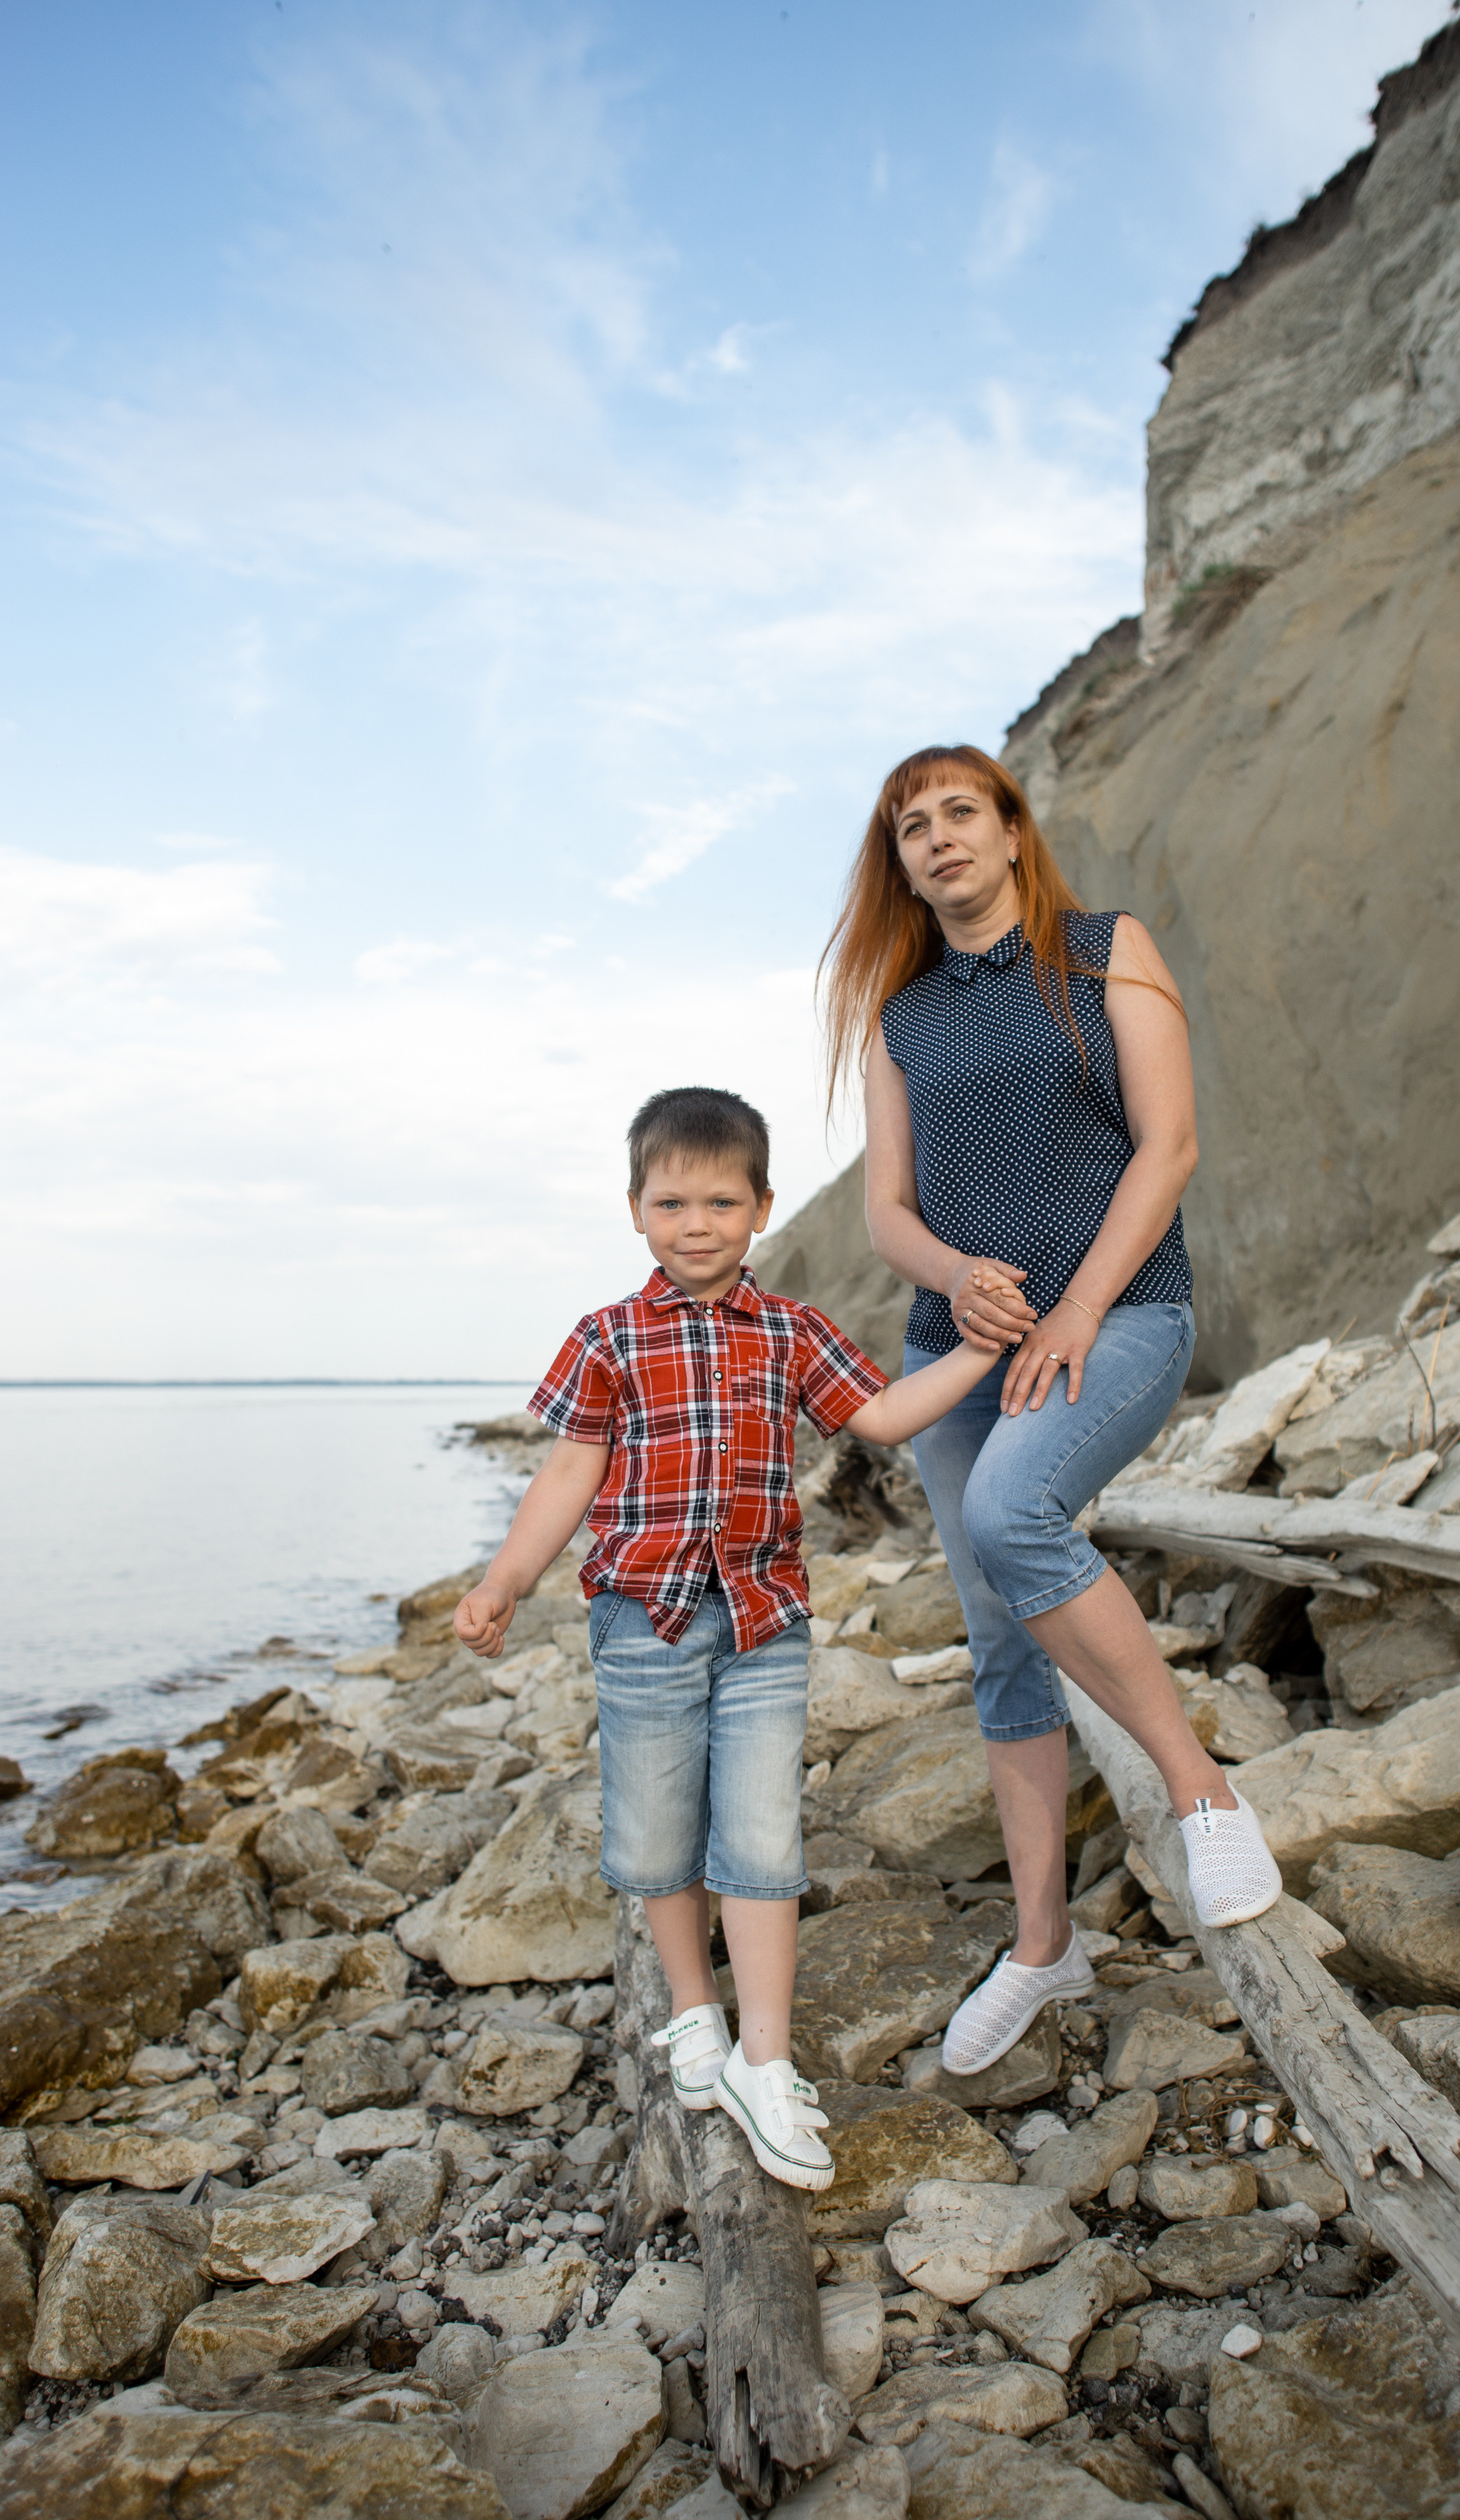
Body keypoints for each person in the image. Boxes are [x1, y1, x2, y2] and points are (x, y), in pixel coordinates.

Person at [821, 745, 1281, 2078]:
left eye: (962, 812)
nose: (939, 838)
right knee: (999, 1635)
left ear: (1014, 832)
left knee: (1018, 1513)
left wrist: (1079, 1306)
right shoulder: (900, 1014)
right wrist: (959, 1279)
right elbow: (887, 1214)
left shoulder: (1104, 947)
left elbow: (1171, 1143)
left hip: (1125, 1317)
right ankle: (1042, 1944)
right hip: (959, 1350)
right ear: (900, 862)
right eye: (913, 826)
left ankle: (1202, 1795)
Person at [452, 1085, 1008, 2190]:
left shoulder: (792, 1331)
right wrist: (506, 1579)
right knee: (659, 1832)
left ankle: (765, 2057)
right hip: (640, 1619)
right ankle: (693, 2014)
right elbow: (570, 1472)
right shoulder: (606, 1337)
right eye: (671, 1203)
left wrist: (983, 1352)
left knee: (759, 1839)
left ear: (760, 1208)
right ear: (635, 1211)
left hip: (763, 1622)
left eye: (719, 1201)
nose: (694, 1224)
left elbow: (887, 1417)